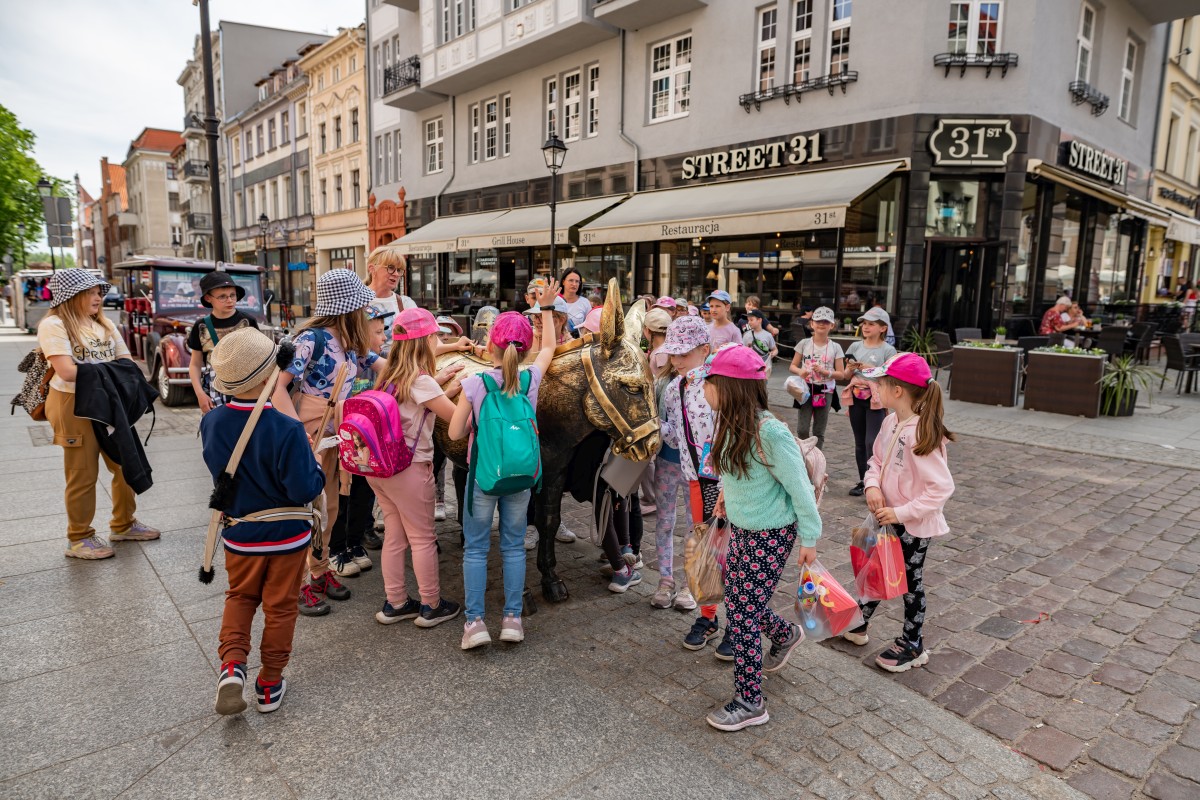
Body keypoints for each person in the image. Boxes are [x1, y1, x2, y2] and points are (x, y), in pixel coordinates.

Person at [202, 328, 326, 715]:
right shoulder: (288, 429)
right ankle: (270, 683)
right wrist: (316, 463)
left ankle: (231, 667)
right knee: (281, 607)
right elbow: (303, 487)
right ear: (271, 374)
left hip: (241, 532)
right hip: (288, 537)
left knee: (239, 597)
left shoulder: (213, 422)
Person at [701, 346, 821, 731]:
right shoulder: (731, 423)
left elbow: (800, 489)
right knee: (739, 602)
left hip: (771, 535)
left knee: (742, 614)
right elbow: (739, 474)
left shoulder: (771, 433)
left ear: (730, 388)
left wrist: (810, 538)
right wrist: (724, 496)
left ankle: (751, 700)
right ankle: (786, 635)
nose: (704, 387)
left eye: (710, 381)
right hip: (742, 528)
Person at [448, 280, 561, 649]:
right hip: (522, 477)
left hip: (484, 477)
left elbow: (453, 432)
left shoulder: (475, 383)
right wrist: (546, 307)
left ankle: (475, 623)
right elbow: (550, 347)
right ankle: (513, 619)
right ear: (523, 349)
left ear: (491, 344)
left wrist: (471, 421)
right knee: (514, 546)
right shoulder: (530, 378)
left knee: (477, 548)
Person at [278, 268, 384, 616]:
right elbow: (279, 387)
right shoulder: (313, 339)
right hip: (312, 425)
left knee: (332, 506)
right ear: (347, 308)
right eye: (362, 306)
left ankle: (320, 572)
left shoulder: (350, 341)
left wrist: (423, 369)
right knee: (309, 507)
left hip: (338, 424)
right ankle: (296, 587)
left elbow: (382, 364)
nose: (366, 312)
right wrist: (297, 430)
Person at [844, 353, 955, 673]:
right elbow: (876, 460)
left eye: (880, 383)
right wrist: (872, 487)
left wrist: (902, 512)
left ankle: (913, 642)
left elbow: (941, 488)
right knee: (877, 568)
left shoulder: (920, 432)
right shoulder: (892, 421)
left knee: (910, 581)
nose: (874, 387)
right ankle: (859, 623)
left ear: (897, 391)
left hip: (914, 525)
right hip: (889, 517)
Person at [39, 269, 160, 560]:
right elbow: (67, 372)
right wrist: (110, 372)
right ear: (73, 295)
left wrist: (101, 373)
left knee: (123, 463)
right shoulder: (54, 324)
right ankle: (79, 538)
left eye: (98, 292)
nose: (99, 297)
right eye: (91, 292)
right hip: (72, 404)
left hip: (108, 402)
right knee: (83, 472)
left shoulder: (104, 323)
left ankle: (123, 524)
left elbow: (128, 362)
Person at [369, 307, 466, 627]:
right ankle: (431, 604)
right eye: (435, 337)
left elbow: (416, 402)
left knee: (396, 537)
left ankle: (395, 602)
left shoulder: (389, 376)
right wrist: (470, 395)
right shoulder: (421, 381)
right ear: (423, 342)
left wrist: (441, 389)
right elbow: (456, 420)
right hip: (409, 470)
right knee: (423, 538)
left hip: (381, 471)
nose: (439, 341)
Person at [659, 316, 730, 654]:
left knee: (733, 551)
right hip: (694, 480)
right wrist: (655, 428)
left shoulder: (721, 383)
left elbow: (732, 433)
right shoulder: (674, 388)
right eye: (673, 355)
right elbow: (675, 433)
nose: (677, 361)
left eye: (683, 354)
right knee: (704, 548)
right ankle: (708, 615)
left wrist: (729, 485)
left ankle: (739, 623)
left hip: (727, 481)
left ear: (705, 349)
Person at [329, 304, 393, 578]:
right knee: (340, 494)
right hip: (337, 434)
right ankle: (335, 548)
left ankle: (354, 543)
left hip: (365, 438)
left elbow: (398, 368)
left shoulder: (368, 357)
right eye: (377, 331)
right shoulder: (343, 354)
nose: (383, 337)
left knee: (363, 494)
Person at [188, 271, 261, 414]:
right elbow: (195, 364)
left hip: (248, 390)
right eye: (222, 296)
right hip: (214, 393)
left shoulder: (247, 321)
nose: (230, 300)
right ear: (208, 298)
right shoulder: (200, 326)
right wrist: (200, 394)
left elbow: (259, 358)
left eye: (232, 295)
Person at [843, 308, 897, 496]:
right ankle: (863, 480)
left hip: (877, 400)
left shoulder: (888, 350)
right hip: (856, 398)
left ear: (883, 328)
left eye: (871, 324)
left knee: (871, 442)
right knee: (859, 442)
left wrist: (869, 368)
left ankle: (875, 482)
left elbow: (890, 377)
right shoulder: (854, 347)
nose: (866, 327)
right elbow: (844, 374)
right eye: (864, 323)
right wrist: (850, 368)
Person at [789, 307, 845, 449]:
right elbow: (793, 366)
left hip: (825, 391)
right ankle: (804, 457)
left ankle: (816, 460)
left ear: (832, 325)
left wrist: (826, 372)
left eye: (826, 322)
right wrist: (801, 372)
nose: (822, 324)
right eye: (818, 321)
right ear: (811, 323)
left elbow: (842, 374)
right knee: (802, 429)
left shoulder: (836, 347)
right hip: (806, 390)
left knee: (819, 431)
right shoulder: (804, 343)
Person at [364, 245, 417, 329]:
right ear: (372, 269)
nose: (396, 274)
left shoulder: (406, 304)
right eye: (391, 268)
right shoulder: (356, 302)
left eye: (399, 270)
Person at [742, 309, 778, 377]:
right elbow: (741, 351)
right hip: (749, 369)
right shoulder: (746, 335)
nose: (749, 322)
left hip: (763, 369)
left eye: (751, 320)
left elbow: (775, 349)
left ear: (759, 320)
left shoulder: (768, 335)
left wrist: (772, 354)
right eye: (748, 320)